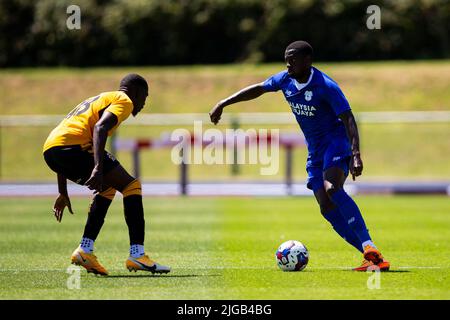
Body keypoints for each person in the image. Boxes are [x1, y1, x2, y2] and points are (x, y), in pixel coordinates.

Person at [209, 41, 389, 271]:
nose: (288, 63)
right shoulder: (285, 79)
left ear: (307, 61)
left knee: (332, 188)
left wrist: (356, 154)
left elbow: (348, 118)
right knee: (325, 206)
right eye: (286, 58)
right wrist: (223, 103)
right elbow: (259, 88)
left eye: (292, 58)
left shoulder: (326, 86)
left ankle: (368, 243)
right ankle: (371, 256)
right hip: (315, 150)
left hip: (336, 142)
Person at [43, 73, 170, 275]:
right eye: (145, 97)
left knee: (108, 188)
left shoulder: (102, 97)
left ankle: (85, 250)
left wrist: (62, 192)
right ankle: (137, 254)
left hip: (50, 150)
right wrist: (97, 168)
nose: (144, 103)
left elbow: (63, 141)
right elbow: (100, 128)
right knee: (131, 186)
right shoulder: (125, 100)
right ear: (136, 92)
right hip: (73, 147)